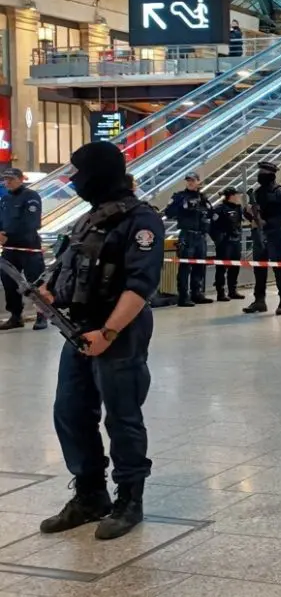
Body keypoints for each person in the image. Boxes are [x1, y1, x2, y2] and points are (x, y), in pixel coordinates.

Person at [38, 141, 163, 540]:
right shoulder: (88, 220)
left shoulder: (141, 220)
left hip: (118, 332)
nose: (74, 181)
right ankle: (91, 493)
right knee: (70, 411)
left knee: (122, 416)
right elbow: (67, 271)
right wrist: (48, 292)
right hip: (78, 330)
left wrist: (108, 332)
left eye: (79, 173)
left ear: (98, 173)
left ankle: (129, 498)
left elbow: (140, 286)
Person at [243, 161, 281, 315]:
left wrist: (268, 222)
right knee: (259, 269)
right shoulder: (257, 193)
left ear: (270, 175)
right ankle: (259, 301)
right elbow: (252, 214)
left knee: (279, 269)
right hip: (259, 236)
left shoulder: (280, 192)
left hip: (275, 235)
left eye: (263, 174)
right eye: (260, 174)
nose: (260, 176)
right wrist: (248, 213)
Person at [0, 168, 46, 331]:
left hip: (29, 248)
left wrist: (9, 237)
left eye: (11, 179)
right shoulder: (5, 199)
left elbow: (31, 223)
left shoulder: (31, 196)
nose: (7, 182)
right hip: (9, 249)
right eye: (5, 179)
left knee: (35, 282)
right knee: (8, 282)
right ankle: (15, 316)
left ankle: (42, 316)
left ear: (21, 179)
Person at [164, 172, 213, 308]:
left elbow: (210, 212)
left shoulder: (203, 198)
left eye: (193, 180)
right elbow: (169, 212)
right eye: (188, 180)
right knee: (185, 266)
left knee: (200, 266)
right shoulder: (180, 196)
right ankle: (183, 296)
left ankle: (197, 293)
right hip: (187, 235)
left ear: (199, 182)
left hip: (201, 236)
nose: (190, 183)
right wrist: (181, 205)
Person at [209, 188, 246, 303]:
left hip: (235, 240)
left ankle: (232, 290)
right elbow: (212, 227)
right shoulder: (220, 209)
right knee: (222, 268)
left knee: (235, 266)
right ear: (231, 196)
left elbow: (239, 223)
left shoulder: (238, 208)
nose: (239, 197)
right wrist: (218, 239)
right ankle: (220, 292)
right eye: (237, 194)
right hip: (225, 242)